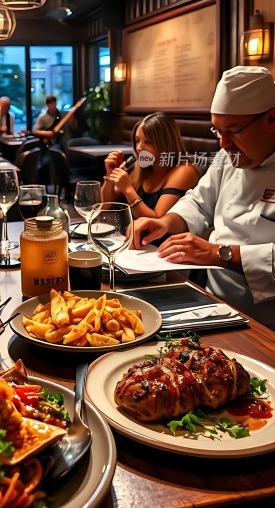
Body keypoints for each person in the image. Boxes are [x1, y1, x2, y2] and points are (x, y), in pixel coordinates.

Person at [133, 65, 275, 330]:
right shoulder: (227, 157)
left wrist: (219, 254)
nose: (223, 143)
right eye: (217, 131)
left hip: (267, 321)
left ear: (271, 119)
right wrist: (165, 222)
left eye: (233, 130)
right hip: (214, 305)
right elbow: (198, 202)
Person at [101, 112, 200, 236]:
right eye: (137, 140)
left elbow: (156, 223)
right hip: (129, 239)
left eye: (148, 142)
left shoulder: (184, 171)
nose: (139, 147)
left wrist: (128, 190)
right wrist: (110, 177)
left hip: (161, 244)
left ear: (166, 143)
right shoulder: (138, 166)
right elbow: (103, 206)